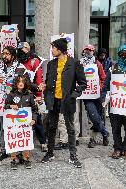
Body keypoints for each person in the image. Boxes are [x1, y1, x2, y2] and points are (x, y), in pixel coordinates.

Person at [40, 38, 87, 168]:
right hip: (53, 100)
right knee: (51, 127)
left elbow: (83, 84)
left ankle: (73, 156)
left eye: (53, 48)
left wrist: (74, 95)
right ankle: (50, 153)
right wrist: (44, 86)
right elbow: (49, 80)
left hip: (67, 101)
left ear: (60, 49)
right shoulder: (51, 64)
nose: (52, 50)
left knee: (70, 129)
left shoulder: (74, 63)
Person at [0, 46, 27, 162]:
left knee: (18, 126)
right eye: (3, 54)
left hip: (16, 101)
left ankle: (19, 151)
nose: (4, 56)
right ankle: (4, 150)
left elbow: (22, 84)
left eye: (7, 54)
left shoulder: (20, 68)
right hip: (2, 101)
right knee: (3, 127)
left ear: (13, 55)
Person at [17, 42, 47, 152]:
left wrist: (39, 96)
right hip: (19, 94)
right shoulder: (17, 61)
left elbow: (39, 80)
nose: (21, 51)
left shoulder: (35, 61)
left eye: (24, 49)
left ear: (28, 49)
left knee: (37, 120)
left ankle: (43, 142)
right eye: (20, 49)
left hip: (32, 94)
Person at [4, 75, 37, 170]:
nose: (21, 83)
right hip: (13, 123)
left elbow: (34, 109)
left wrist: (34, 119)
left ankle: (26, 158)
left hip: (26, 123)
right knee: (14, 139)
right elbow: (5, 106)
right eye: (19, 81)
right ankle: (13, 159)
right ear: (16, 83)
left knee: (25, 139)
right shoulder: (11, 94)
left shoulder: (30, 95)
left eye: (23, 81)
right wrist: (10, 106)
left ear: (25, 83)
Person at [80, 44, 109, 148]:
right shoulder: (80, 64)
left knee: (98, 117)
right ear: (83, 51)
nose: (88, 51)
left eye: (90, 50)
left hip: (97, 95)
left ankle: (93, 139)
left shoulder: (97, 64)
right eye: (86, 50)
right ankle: (105, 133)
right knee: (93, 116)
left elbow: (103, 78)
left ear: (93, 52)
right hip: (87, 96)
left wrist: (99, 88)